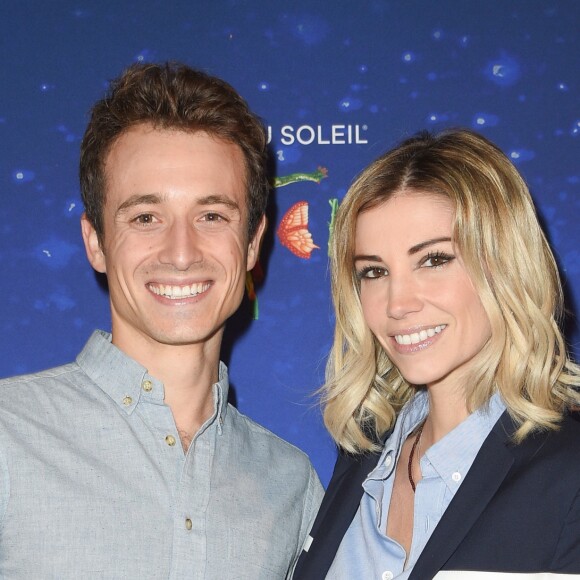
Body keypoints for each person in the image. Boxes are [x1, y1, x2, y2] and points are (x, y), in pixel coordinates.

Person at [0, 62, 323, 579]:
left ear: (253, 243)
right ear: (95, 242)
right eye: (146, 217)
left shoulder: (292, 484)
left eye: (212, 215)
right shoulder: (7, 438)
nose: (180, 252)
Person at [292, 128, 580, 579]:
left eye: (434, 260)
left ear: (503, 263)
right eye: (374, 271)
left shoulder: (568, 475)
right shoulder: (363, 457)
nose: (397, 303)